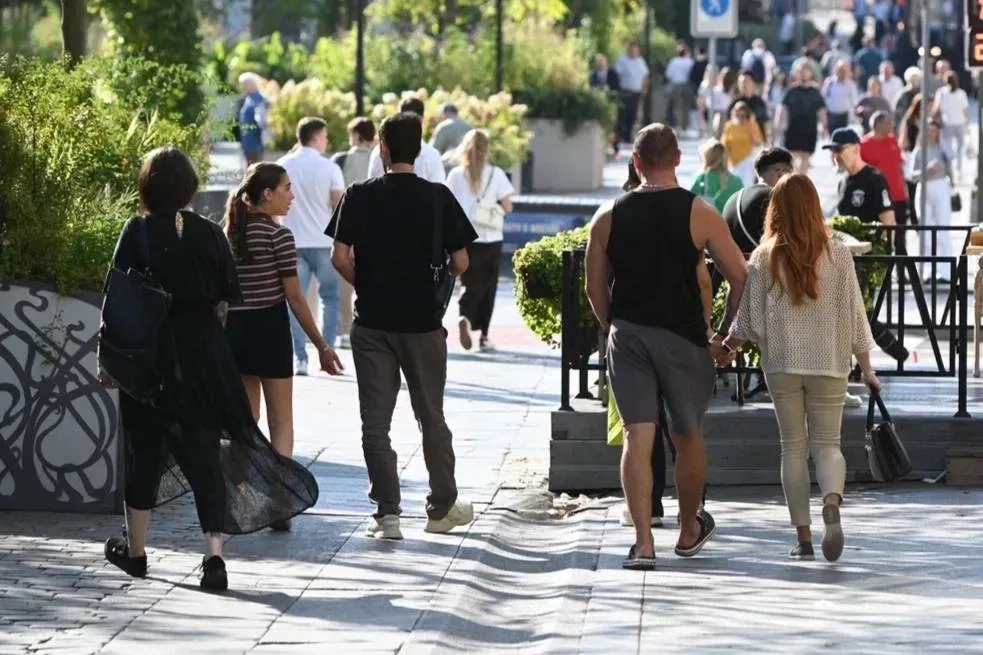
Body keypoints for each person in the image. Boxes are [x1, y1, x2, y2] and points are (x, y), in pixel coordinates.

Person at [100, 148, 320, 591]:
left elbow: (118, 298)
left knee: (143, 451)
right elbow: (225, 296)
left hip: (150, 358)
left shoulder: (136, 230)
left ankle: (136, 552)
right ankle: (214, 557)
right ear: (189, 188)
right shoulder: (208, 233)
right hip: (203, 355)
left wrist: (108, 359)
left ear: (147, 187)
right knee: (205, 452)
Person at [584, 124, 748, 569]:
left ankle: (643, 543)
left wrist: (613, 326)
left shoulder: (607, 216)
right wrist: (723, 335)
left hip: (629, 334)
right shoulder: (701, 212)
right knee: (687, 435)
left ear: (635, 162)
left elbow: (594, 288)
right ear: (678, 158)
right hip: (685, 337)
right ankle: (688, 528)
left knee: (637, 436)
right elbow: (739, 276)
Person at [327, 112, 478, 540]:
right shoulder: (438, 197)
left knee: (375, 424)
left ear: (383, 148)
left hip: (372, 323)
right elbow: (462, 260)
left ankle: (388, 514)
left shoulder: (359, 195)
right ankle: (441, 508)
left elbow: (339, 258)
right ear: (420, 148)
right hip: (423, 324)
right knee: (431, 416)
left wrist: (367, 283)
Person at [724, 174, 880, 563]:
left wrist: (726, 348)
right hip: (829, 362)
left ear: (775, 209)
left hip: (782, 364)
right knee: (827, 444)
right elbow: (856, 316)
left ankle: (804, 539)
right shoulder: (839, 253)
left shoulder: (764, 256)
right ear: (814, 206)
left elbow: (748, 321)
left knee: (792, 447)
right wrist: (867, 368)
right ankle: (831, 502)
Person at [223, 163, 344, 533]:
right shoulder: (279, 237)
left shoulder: (228, 234)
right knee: (281, 419)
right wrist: (321, 345)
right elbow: (294, 296)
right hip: (270, 330)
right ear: (267, 194)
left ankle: (237, 497)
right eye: (287, 188)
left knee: (246, 421)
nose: (292, 196)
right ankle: (279, 504)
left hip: (236, 331)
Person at [824, 127, 909, 365]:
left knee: (858, 311)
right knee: (854, 312)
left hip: (868, 258)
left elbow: (888, 221)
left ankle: (863, 363)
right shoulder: (843, 181)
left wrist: (886, 258)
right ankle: (863, 362)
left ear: (855, 149)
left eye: (839, 150)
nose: (835, 156)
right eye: (833, 151)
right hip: (846, 257)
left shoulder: (874, 178)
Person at [277, 118, 346, 374]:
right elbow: (340, 208)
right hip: (324, 242)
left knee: (295, 300)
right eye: (325, 137)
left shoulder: (282, 166)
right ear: (316, 138)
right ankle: (327, 353)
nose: (326, 141)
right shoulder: (330, 168)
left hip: (291, 242)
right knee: (330, 297)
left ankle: (301, 358)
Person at [445, 129, 515, 352]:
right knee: (488, 286)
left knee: (468, 282)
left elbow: (447, 204)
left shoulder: (456, 174)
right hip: (491, 237)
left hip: (465, 237)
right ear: (487, 150)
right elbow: (508, 206)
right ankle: (484, 336)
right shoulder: (496, 173)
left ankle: (465, 316)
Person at [331, 117, 377, 349]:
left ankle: (345, 329)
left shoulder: (341, 160)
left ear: (356, 135)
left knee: (344, 287)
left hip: (349, 227)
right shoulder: (380, 159)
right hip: (376, 230)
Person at [910, 119, 956, 282]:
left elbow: (951, 163)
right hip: (925, 188)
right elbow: (912, 176)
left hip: (941, 187)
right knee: (926, 231)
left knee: (943, 229)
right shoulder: (919, 151)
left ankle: (946, 272)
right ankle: (928, 271)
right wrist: (927, 169)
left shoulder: (942, 148)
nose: (931, 133)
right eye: (928, 130)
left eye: (934, 130)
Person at [860, 111, 909, 254]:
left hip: (897, 195)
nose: (891, 126)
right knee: (881, 237)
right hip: (878, 198)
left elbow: (899, 165)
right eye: (888, 123)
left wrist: (905, 188)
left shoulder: (892, 140)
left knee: (900, 236)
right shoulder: (864, 145)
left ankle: (902, 267)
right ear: (877, 125)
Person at [367, 97, 446, 183]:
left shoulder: (380, 150)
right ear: (422, 119)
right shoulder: (432, 154)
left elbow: (372, 181)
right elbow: (439, 184)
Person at [774, 65, 828, 173]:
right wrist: (778, 123)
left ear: (810, 74)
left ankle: (801, 179)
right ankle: (795, 177)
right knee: (792, 157)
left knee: (806, 157)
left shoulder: (815, 91)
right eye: (801, 72)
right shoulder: (791, 90)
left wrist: (824, 126)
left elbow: (822, 110)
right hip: (793, 128)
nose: (803, 74)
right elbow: (782, 107)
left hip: (809, 129)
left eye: (806, 72)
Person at [932, 71, 969, 183]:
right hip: (959, 123)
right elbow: (965, 110)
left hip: (947, 124)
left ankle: (952, 170)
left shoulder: (941, 93)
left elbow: (936, 108)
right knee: (959, 148)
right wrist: (967, 124)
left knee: (948, 149)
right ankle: (959, 170)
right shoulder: (961, 93)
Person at [691, 140, 744, 213]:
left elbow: (689, 202)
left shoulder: (701, 178)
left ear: (707, 157)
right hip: (728, 219)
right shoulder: (737, 181)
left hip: (707, 218)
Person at [721, 102, 765, 186]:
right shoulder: (729, 126)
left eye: (742, 114)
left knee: (746, 185)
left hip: (747, 161)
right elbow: (724, 144)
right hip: (733, 162)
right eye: (737, 112)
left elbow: (759, 143)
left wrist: (749, 125)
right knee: (734, 186)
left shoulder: (751, 124)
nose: (739, 115)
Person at [614, 43, 650, 144]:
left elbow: (645, 76)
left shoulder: (640, 61)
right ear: (628, 50)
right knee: (623, 113)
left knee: (633, 114)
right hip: (625, 91)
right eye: (632, 50)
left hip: (636, 92)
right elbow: (617, 75)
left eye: (635, 50)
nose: (633, 52)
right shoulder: (622, 61)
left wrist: (645, 88)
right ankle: (621, 135)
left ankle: (628, 135)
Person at [590, 54, 622, 156]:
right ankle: (601, 147)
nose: (600, 64)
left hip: (611, 102)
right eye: (598, 63)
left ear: (606, 63)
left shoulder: (612, 73)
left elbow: (617, 88)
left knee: (614, 125)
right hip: (598, 104)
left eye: (601, 62)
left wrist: (609, 91)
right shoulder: (593, 75)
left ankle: (615, 149)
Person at [236, 72, 271, 166]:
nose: (243, 87)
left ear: (252, 84)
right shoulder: (248, 98)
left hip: (255, 143)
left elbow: (263, 120)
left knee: (255, 169)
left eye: (244, 84)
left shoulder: (260, 98)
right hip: (247, 142)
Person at [726, 72, 771, 144]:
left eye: (746, 81)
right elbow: (729, 123)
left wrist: (767, 141)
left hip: (757, 142)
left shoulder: (760, 102)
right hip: (739, 142)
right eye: (741, 82)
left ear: (753, 83)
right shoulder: (734, 103)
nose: (743, 84)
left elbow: (765, 122)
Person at [664, 44, 695, 133]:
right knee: (686, 106)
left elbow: (668, 75)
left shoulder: (673, 61)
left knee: (675, 106)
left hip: (675, 85)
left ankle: (675, 126)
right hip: (687, 85)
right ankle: (685, 126)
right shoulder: (690, 62)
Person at [821, 61, 859, 132]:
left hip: (844, 116)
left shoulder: (850, 84)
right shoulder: (829, 82)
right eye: (840, 70)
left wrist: (854, 115)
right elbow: (823, 98)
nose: (842, 73)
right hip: (831, 116)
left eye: (844, 71)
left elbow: (854, 101)